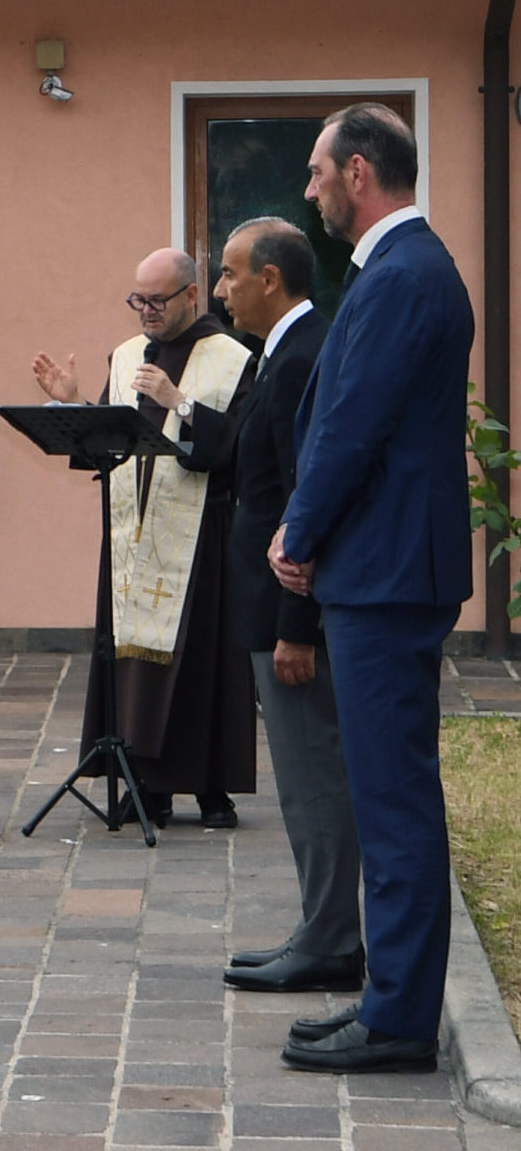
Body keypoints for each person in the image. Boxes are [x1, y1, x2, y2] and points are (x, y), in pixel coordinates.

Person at [271, 103, 472, 1076]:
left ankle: (396, 1018)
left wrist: (298, 533)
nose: (306, 190)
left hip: (385, 574)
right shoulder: (399, 269)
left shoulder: (402, 275)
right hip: (385, 567)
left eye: (315, 172)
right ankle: (389, 994)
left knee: (392, 800)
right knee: (387, 791)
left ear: (357, 172)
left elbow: (353, 424)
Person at [179, 219, 362, 995]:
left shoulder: (298, 360)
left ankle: (329, 942)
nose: (217, 290)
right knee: (302, 776)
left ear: (268, 280)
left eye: (226, 274)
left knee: (310, 776)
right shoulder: (280, 353)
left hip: (288, 618)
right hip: (269, 608)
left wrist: (296, 629)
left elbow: (298, 501)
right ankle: (319, 929)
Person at [31, 248, 254, 829]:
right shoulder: (128, 356)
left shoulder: (233, 358)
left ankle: (209, 786)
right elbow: (107, 441)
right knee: (133, 661)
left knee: (198, 658)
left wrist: (178, 403)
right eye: (139, 301)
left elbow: (241, 452)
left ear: (190, 296)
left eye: (157, 301)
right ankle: (146, 784)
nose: (147, 312)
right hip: (132, 535)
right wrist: (73, 403)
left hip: (201, 534)